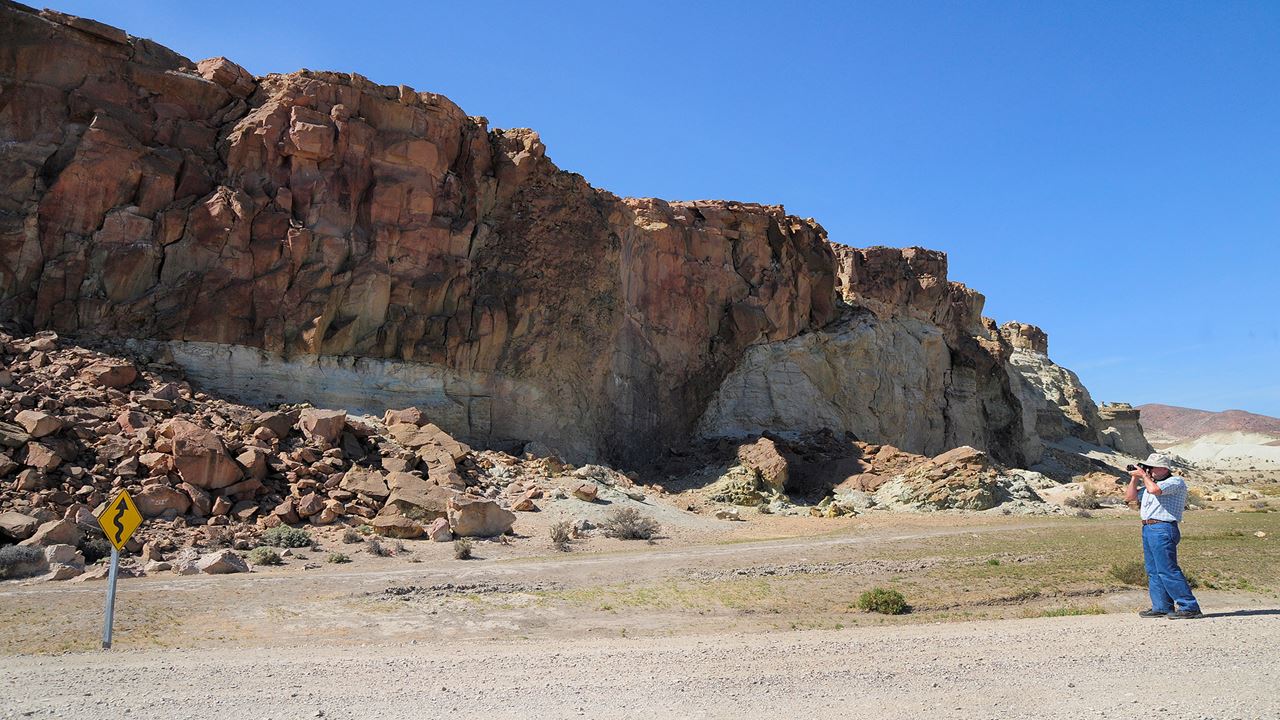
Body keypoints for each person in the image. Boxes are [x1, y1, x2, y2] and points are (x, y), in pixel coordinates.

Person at [1124, 452, 1202, 619]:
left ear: (1164, 468)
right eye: (1148, 466)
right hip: (1148, 528)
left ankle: (1189, 606)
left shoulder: (1174, 482)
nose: (1149, 469)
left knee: (1167, 569)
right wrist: (1134, 478)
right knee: (1153, 570)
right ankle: (1161, 606)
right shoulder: (1148, 483)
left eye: (1152, 467)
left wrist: (1144, 475)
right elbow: (1130, 498)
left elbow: (1155, 490)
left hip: (1163, 528)